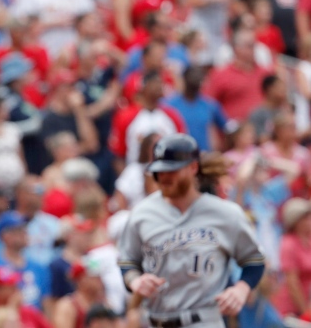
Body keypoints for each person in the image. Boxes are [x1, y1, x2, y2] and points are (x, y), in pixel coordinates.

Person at [118, 134, 265, 328]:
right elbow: (127, 260)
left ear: (193, 168)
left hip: (203, 320)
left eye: (171, 171)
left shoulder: (225, 213)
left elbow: (254, 260)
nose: (164, 177)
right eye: (159, 171)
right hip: (155, 320)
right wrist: (135, 280)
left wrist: (241, 288)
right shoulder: (142, 213)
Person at [165, 66, 229, 151]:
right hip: (179, 156)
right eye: (193, 76)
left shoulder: (209, 105)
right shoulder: (169, 105)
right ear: (184, 79)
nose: (196, 80)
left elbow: (227, 128)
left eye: (199, 77)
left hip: (204, 156)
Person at [274, 198, 311, 317]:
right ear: (296, 221)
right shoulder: (288, 244)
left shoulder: (307, 241)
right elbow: (292, 282)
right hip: (293, 308)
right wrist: (305, 311)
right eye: (306, 218)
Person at [53, 258, 105, 328]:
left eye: (100, 276)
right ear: (81, 280)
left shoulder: (104, 303)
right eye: (95, 277)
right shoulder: (68, 306)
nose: (100, 280)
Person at [248, 75, 291, 143]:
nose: (284, 91)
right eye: (279, 87)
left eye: (284, 88)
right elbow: (261, 140)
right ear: (269, 89)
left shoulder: (288, 110)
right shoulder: (257, 114)